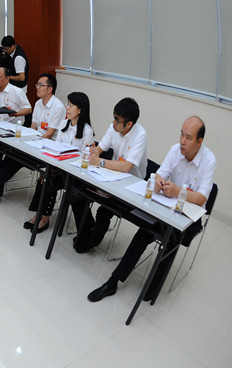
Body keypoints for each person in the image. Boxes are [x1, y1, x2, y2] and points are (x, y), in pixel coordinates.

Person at [88, 116, 215, 303]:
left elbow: (202, 198)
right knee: (144, 231)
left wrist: (177, 192)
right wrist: (158, 182)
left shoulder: (208, 160)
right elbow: (160, 174)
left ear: (199, 141)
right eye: (181, 134)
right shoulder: (176, 150)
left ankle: (153, 288)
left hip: (189, 218)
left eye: (188, 137)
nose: (182, 141)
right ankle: (113, 282)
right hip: (167, 208)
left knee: (171, 239)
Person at [0, 74, 60, 207]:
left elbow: (49, 134)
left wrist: (30, 142)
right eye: (37, 84)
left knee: (13, 160)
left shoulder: (58, 107)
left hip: (45, 149)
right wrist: (27, 140)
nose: (37, 87)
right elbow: (33, 128)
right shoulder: (38, 103)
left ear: (50, 89)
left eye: (40, 85)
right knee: (10, 157)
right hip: (33, 143)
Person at [72, 97, 148, 253]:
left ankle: (92, 241)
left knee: (104, 211)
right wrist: (93, 152)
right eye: (114, 117)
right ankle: (87, 230)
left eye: (117, 120)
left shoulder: (140, 135)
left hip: (131, 185)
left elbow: (127, 167)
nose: (113, 122)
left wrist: (99, 161)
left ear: (129, 124)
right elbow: (100, 149)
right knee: (76, 191)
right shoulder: (114, 127)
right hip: (111, 177)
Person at [23, 91, 94, 232]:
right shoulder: (63, 124)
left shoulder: (87, 131)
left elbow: (84, 158)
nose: (67, 108)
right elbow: (56, 148)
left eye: (71, 105)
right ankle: (40, 215)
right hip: (59, 167)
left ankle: (44, 218)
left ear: (80, 110)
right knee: (44, 178)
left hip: (74, 173)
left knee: (48, 179)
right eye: (67, 104)